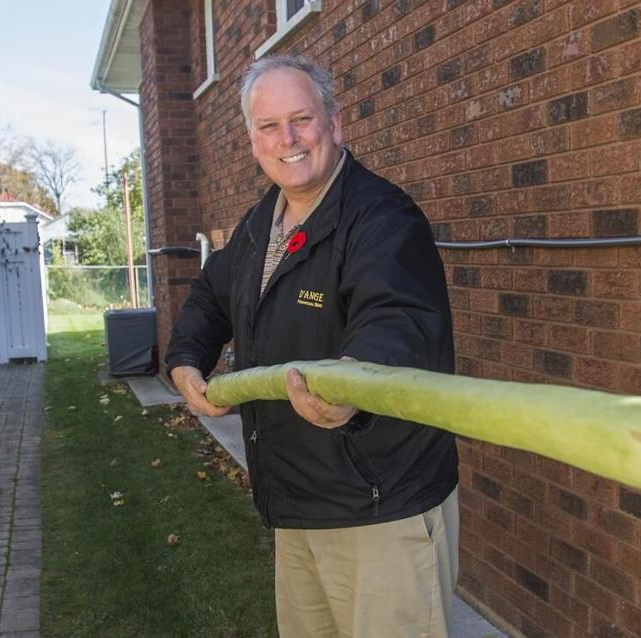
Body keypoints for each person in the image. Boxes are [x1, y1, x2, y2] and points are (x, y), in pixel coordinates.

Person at [165, 54, 460, 638]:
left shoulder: (382, 218)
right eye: (269, 127)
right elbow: (208, 298)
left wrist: (353, 381)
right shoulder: (258, 226)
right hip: (297, 505)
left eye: (301, 119)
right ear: (253, 140)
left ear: (335, 122)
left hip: (379, 510)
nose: (288, 140)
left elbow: (397, 319)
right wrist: (184, 361)